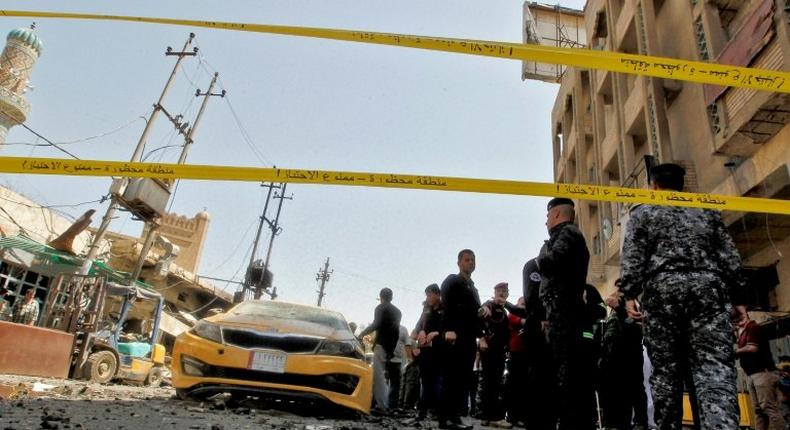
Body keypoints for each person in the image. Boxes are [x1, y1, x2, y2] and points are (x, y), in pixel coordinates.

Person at [619, 163, 747, 429]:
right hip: (707, 294)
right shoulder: (706, 210)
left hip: (663, 295)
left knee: (667, 375)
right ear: (683, 185)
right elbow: (730, 258)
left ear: (653, 186)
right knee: (715, 372)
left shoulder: (643, 213)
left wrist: (629, 294)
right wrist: (738, 297)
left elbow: (632, 259)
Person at [537, 197, 594, 430]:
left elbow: (551, 262)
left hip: (565, 315)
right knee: (566, 372)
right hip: (563, 313)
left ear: (558, 215)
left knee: (566, 374)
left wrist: (542, 253)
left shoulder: (568, 234)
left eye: (548, 216)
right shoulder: (568, 235)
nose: (546, 222)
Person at [438, 249, 488, 430]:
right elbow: (448, 305)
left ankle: (456, 416)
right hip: (454, 336)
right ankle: (445, 419)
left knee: (463, 378)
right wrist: (449, 329)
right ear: (459, 262)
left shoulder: (473, 288)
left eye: (473, 260)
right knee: (452, 377)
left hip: (468, 338)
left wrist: (482, 313)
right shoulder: (453, 280)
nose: (471, 263)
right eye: (467, 260)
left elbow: (475, 313)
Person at [599, 286, 649, 430]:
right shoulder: (613, 316)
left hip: (630, 359)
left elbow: (631, 326)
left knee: (635, 391)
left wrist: (619, 307)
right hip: (613, 362)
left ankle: (640, 423)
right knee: (616, 395)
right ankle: (614, 424)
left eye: (625, 300)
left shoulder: (634, 314)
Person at [736, 313, 785, 430]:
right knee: (758, 410)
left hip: (762, 373)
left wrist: (736, 351)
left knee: (768, 408)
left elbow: (753, 348)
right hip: (751, 375)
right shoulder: (743, 333)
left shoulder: (754, 328)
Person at [358, 287, 402, 413]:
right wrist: (391, 350)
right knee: (384, 377)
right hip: (389, 348)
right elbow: (396, 332)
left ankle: (380, 406)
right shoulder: (398, 312)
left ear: (381, 297)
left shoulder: (380, 307)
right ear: (392, 297)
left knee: (377, 376)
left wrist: (362, 333)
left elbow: (376, 324)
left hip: (380, 346)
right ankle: (382, 404)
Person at [479, 282, 513, 429]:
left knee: (493, 383)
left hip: (499, 350)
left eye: (504, 291)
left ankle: (487, 416)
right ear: (495, 292)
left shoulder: (503, 310)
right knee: (491, 383)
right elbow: (480, 314)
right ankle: (493, 417)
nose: (502, 293)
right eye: (499, 290)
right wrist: (481, 339)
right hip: (491, 349)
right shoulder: (490, 304)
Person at [415, 284, 443, 420]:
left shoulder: (445, 308)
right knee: (425, 381)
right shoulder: (426, 309)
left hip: (439, 350)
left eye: (430, 295)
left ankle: (437, 411)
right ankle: (422, 411)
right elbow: (419, 325)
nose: (428, 298)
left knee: (437, 380)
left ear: (438, 294)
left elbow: (450, 326)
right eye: (427, 295)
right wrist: (420, 331)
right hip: (425, 349)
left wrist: (437, 333)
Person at [504, 296, 527, 427]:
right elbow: (521, 321)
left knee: (523, 386)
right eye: (521, 304)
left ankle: (521, 416)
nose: (523, 306)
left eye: (525, 304)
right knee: (514, 385)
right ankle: (513, 416)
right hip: (515, 353)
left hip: (526, 353)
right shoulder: (512, 315)